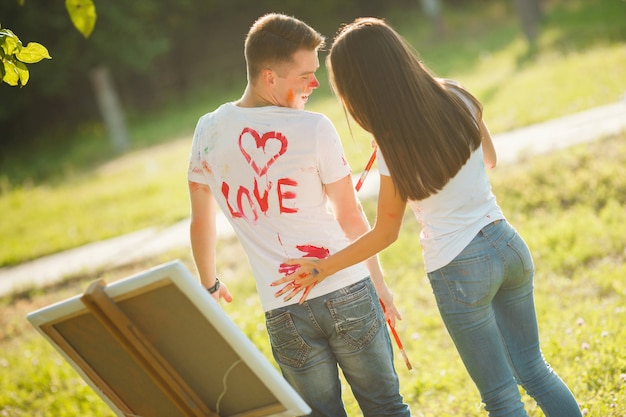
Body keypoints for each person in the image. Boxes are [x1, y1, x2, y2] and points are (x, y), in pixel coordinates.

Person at [274, 17, 583, 417]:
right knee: (535, 370)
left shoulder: (392, 145)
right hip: (507, 243)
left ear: (358, 88)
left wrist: (323, 268)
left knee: (502, 397)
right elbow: (489, 159)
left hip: (458, 267)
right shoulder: (459, 95)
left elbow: (386, 232)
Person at [187, 13, 411, 417]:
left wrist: (209, 284)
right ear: (270, 77)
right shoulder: (314, 128)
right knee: (387, 409)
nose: (316, 83)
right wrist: (379, 285)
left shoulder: (208, 132)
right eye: (305, 74)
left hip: (283, 309)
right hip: (348, 290)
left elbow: (201, 219)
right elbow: (350, 215)